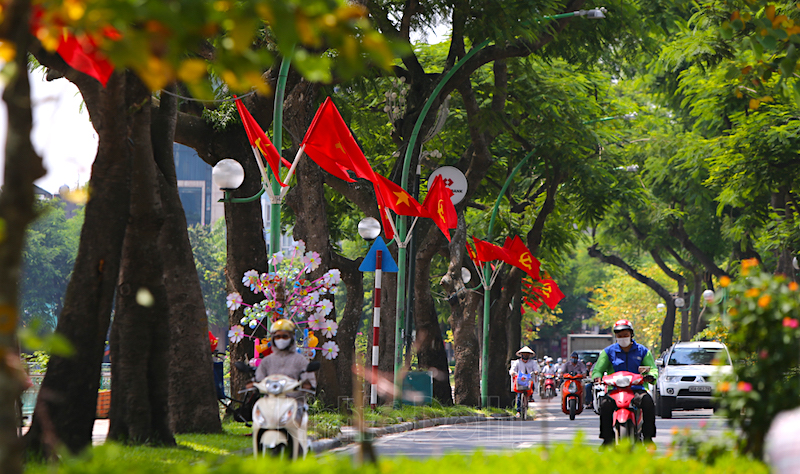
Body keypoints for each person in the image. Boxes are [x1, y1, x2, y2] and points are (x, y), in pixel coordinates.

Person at [591, 319, 657, 445]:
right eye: (619, 336)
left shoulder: (643, 351)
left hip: (637, 389)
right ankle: (607, 438)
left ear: (631, 335)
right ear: (615, 336)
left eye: (625, 335)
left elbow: (652, 368)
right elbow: (598, 369)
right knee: (604, 405)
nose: (622, 338)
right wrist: (597, 377)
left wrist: (651, 376)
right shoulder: (608, 352)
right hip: (614, 390)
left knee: (648, 402)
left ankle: (648, 437)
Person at [254, 319, 316, 401]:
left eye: (285, 336)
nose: (281, 339)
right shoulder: (267, 361)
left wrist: (307, 385)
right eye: (278, 337)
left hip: (294, 403)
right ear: (273, 339)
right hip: (270, 403)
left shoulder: (300, 360)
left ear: (291, 338)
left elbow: (310, 380)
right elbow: (259, 379)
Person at [509, 346, 540, 417]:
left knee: (530, 389)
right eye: (524, 354)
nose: (525, 355)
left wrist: (536, 371)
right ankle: (518, 411)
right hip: (520, 380)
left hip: (529, 380)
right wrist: (512, 372)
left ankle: (529, 398)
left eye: (527, 354)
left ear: (529, 355)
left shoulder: (533, 362)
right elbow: (512, 369)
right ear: (521, 354)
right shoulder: (517, 362)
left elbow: (536, 369)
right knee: (519, 396)